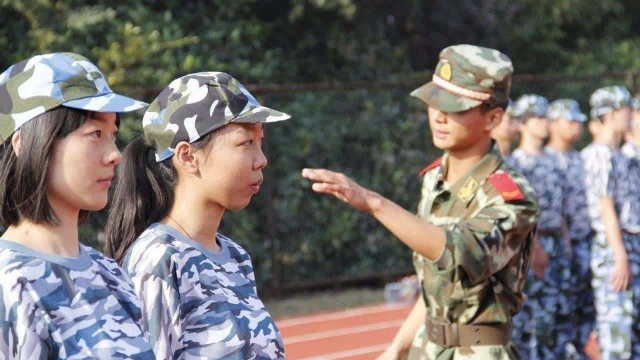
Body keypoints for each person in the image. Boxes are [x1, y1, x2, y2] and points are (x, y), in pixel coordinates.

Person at [302, 44, 539, 360]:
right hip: (426, 349)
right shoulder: (434, 180)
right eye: (434, 102)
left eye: (455, 107)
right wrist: (397, 349)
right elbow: (434, 287)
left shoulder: (511, 195)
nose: (439, 116)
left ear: (493, 117)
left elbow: (459, 256)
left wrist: (374, 203)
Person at [104, 72, 290, 359]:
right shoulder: (159, 260)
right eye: (246, 143)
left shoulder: (235, 256)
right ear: (188, 156)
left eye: (260, 141)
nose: (261, 159)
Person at [0, 53, 154, 358]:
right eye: (95, 134)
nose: (115, 154)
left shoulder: (111, 274)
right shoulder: (9, 284)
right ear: (25, 143)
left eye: (113, 134)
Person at [508, 94, 571, 360]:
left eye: (546, 117)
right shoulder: (517, 163)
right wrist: (534, 250)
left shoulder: (553, 159)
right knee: (531, 319)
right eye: (538, 118)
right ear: (522, 124)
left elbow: (560, 205)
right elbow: (519, 214)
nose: (545, 123)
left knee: (558, 313)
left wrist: (565, 239)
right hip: (533, 245)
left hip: (556, 240)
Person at [581, 85, 638, 359]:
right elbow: (606, 208)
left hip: (627, 243)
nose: (632, 116)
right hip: (614, 247)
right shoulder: (600, 154)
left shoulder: (618, 154)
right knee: (618, 333)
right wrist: (620, 256)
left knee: (631, 331)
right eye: (628, 110)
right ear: (613, 114)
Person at [544, 99, 595, 359]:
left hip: (587, 241)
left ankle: (578, 347)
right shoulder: (548, 159)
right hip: (561, 245)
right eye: (571, 121)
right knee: (561, 304)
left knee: (587, 304)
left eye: (579, 122)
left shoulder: (580, 157)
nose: (577, 126)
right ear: (552, 124)